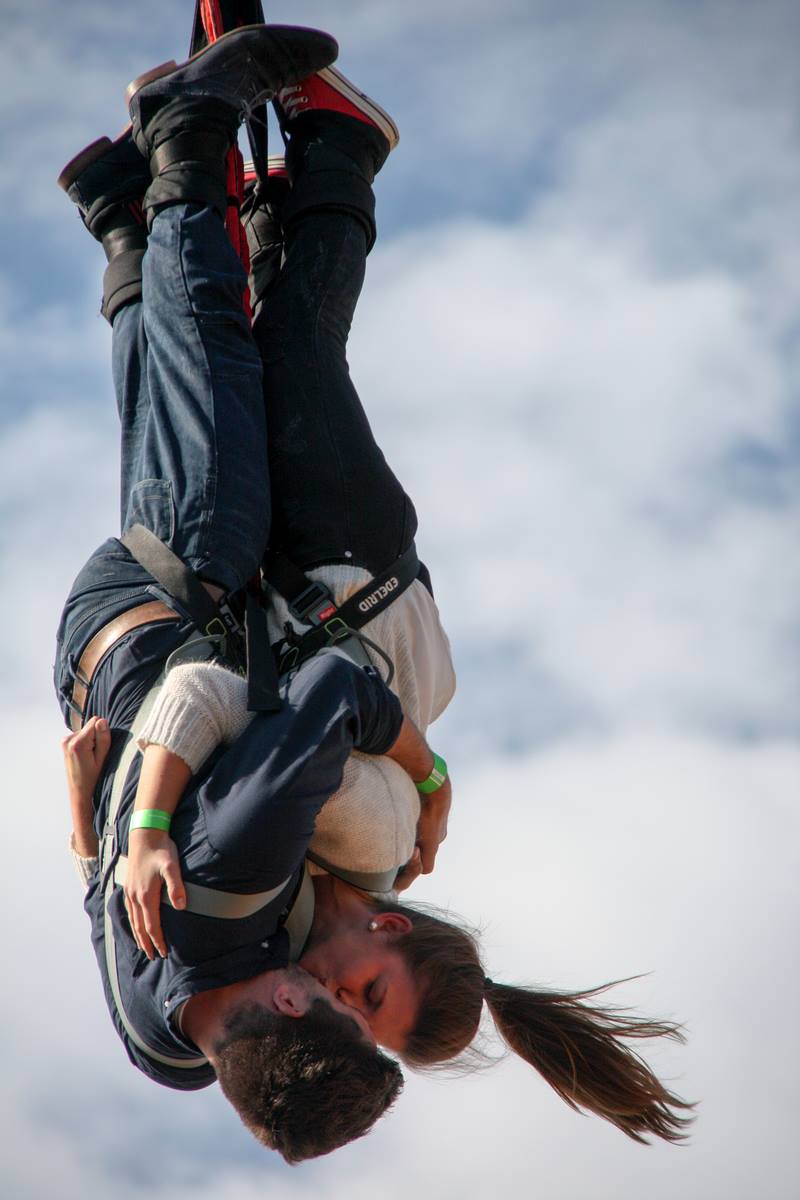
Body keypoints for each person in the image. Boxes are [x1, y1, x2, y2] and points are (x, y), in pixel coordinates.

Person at [59, 31, 693, 1151]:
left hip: (220, 611)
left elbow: (211, 751)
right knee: (271, 358)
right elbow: (321, 699)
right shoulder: (330, 868)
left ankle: (217, 170)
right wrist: (420, 762)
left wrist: (122, 824)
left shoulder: (248, 924)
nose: (338, 991)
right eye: (372, 1000)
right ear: (394, 927)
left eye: (348, 1017)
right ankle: (204, 185)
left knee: (223, 380)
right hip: (343, 574)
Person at [54, 24, 438, 1162]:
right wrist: (93, 822)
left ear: (285, 1007)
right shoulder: (163, 1048)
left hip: (179, 596)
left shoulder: (238, 879)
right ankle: (127, 212)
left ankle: (190, 131)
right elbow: (100, 901)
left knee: (210, 357)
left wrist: (425, 767)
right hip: (105, 650)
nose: (314, 977)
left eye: (325, 998)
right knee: (180, 390)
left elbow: (327, 689)